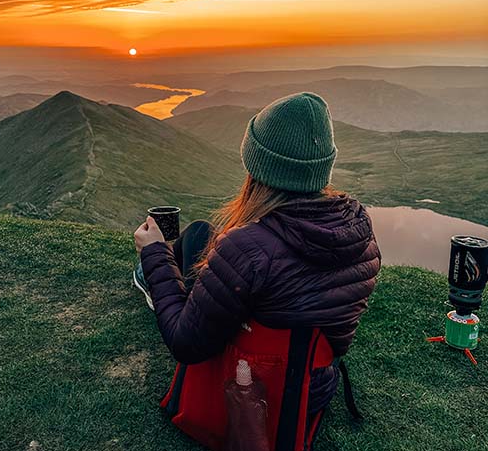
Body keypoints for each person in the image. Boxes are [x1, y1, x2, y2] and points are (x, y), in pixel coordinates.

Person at [133, 91, 381, 416]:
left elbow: (186, 345)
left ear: (259, 166)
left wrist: (154, 253)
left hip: (252, 395)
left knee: (187, 252)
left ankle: (150, 280)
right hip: (309, 390)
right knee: (199, 234)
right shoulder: (359, 228)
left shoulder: (246, 248)